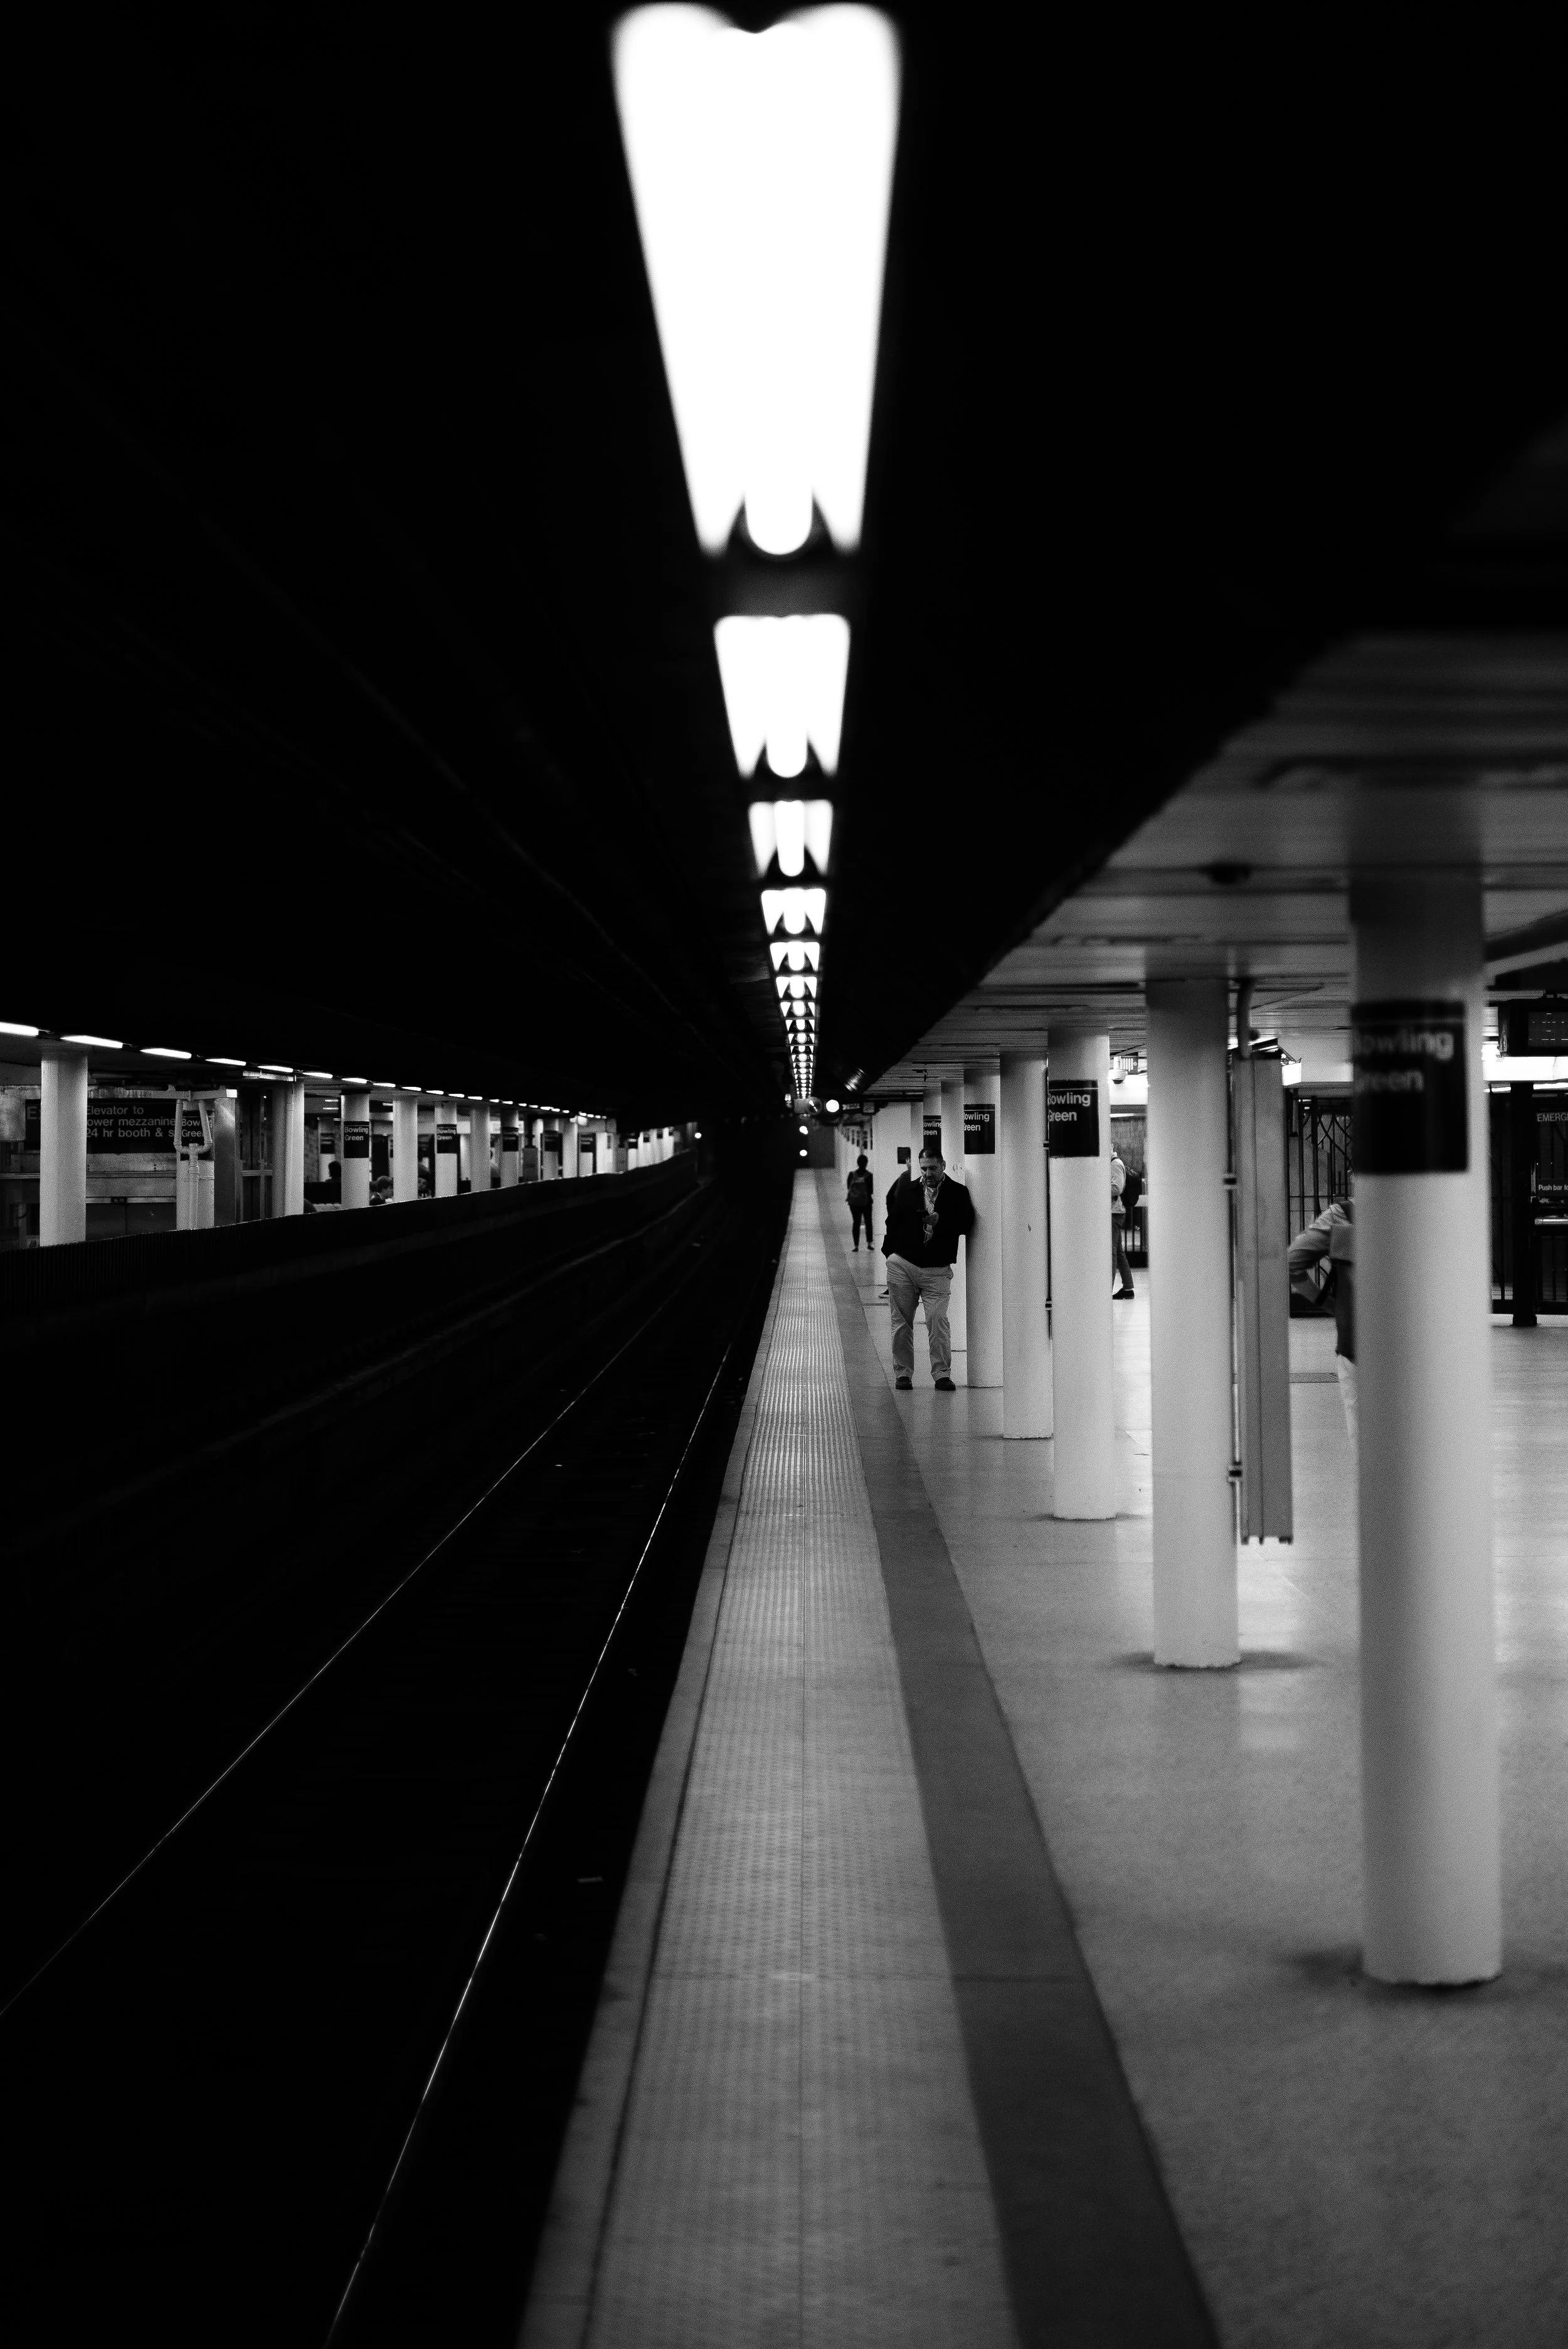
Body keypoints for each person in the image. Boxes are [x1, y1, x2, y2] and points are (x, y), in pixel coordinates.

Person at [882, 1142, 975, 1391]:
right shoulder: (909, 1191)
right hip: (903, 1264)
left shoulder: (958, 1192)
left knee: (937, 1320)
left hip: (937, 1269)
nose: (928, 1174)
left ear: (943, 1166)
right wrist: (889, 1254)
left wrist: (941, 1221)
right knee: (901, 1321)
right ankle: (903, 1374)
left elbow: (967, 1223)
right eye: (924, 1169)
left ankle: (942, 1374)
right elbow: (892, 1222)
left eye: (933, 1168)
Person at [1288, 1192, 1355, 1453]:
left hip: (1356, 1344)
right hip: (1417, 1355)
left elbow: (1292, 1264)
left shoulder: (1343, 1215)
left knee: (1366, 1449)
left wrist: (1332, 1306)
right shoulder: (1427, 1212)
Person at [1111, 1148, 1135, 1298]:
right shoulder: (1114, 1164)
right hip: (1115, 1212)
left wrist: (1096, 1189)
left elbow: (1117, 1188)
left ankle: (1106, 1290)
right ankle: (1128, 1289)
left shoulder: (1114, 1165)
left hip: (1115, 1213)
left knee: (1111, 1253)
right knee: (1119, 1253)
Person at [845, 1152, 874, 1252]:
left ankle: (856, 1245)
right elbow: (871, 1190)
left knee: (856, 1223)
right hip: (867, 1202)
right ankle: (870, 1243)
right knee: (868, 1222)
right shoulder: (869, 1176)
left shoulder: (851, 1175)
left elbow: (849, 1187)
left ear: (857, 1163)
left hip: (854, 1203)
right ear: (866, 1163)